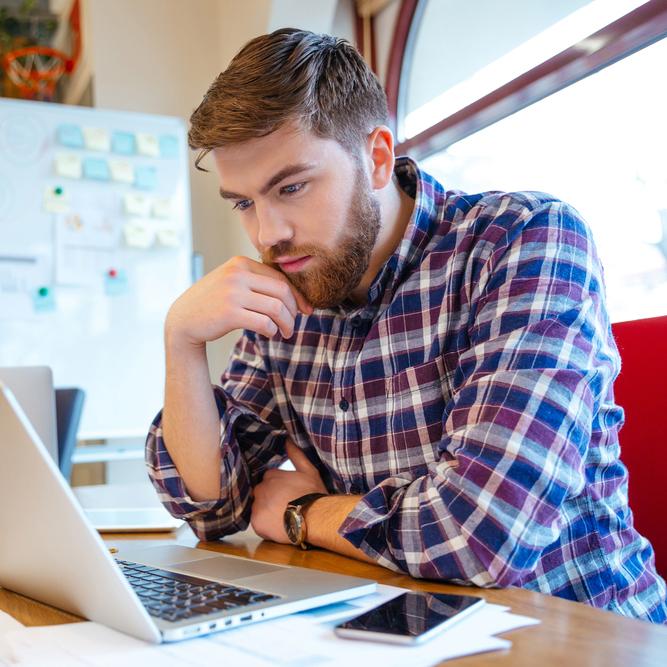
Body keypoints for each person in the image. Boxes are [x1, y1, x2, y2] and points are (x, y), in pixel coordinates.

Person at [146, 28, 667, 623]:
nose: (268, 233)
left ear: (376, 158)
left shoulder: (522, 241)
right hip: (396, 627)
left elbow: (477, 537)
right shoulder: (292, 281)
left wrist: (304, 514)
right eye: (243, 202)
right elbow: (214, 507)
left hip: (577, 634)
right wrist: (181, 342)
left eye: (291, 187)